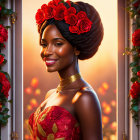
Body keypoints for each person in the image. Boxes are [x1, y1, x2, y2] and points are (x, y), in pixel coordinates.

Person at [28, 0, 104, 139]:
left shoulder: (84, 98)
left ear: (75, 48)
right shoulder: (50, 95)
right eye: (44, 44)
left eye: (58, 44)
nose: (47, 51)